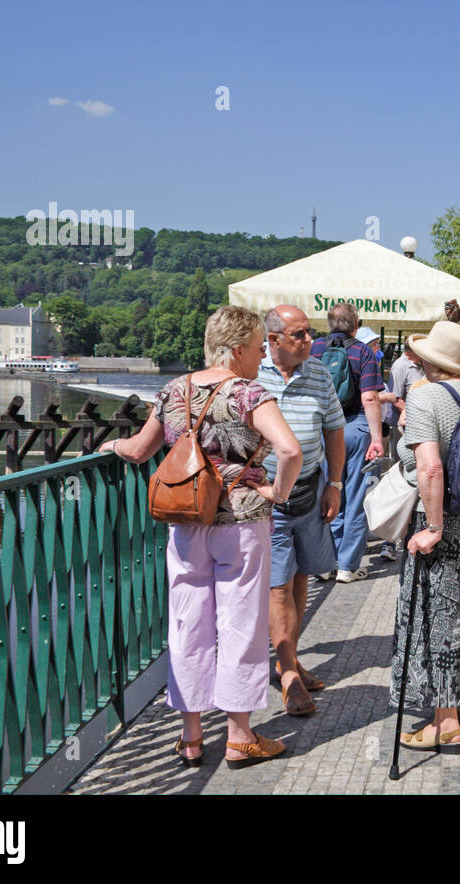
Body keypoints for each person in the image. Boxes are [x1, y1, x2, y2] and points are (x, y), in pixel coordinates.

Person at [102, 305, 302, 768]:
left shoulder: (175, 389)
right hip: (242, 521)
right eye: (256, 348)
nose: (260, 357)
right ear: (236, 351)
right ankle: (238, 736)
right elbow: (290, 449)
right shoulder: (249, 393)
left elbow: (137, 450)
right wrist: (277, 490)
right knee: (240, 626)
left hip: (187, 519)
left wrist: (111, 445)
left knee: (187, 622)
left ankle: (191, 737)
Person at [392, 321, 460, 754]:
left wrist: (432, 528)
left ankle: (445, 723)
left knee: (436, 615)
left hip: (440, 517)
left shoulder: (423, 397)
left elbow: (430, 468)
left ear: (430, 359)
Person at [258, 305, 346, 716]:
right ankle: (289, 676)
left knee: (300, 576)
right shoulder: (251, 374)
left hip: (309, 492)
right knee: (278, 585)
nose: (310, 341)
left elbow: (333, 429)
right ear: (273, 340)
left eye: (310, 332)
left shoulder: (319, 373)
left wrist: (334, 485)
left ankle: (287, 660)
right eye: (300, 335)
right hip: (268, 498)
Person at [311, 302, 385, 582]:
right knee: (356, 498)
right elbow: (369, 397)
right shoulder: (362, 351)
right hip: (355, 427)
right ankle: (347, 566)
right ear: (356, 325)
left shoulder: (315, 349)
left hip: (321, 429)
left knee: (327, 494)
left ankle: (325, 562)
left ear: (330, 323)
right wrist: (376, 438)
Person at [379, 335, 426, 560]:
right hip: (403, 429)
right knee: (402, 481)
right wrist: (419, 410)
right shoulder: (400, 366)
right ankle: (389, 541)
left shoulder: (419, 366)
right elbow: (395, 398)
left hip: (417, 427)